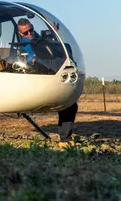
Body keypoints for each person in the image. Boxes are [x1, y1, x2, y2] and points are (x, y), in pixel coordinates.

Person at [17, 18, 79, 146]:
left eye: (31, 30)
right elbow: (25, 61)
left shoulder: (39, 38)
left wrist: (53, 32)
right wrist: (32, 60)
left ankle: (65, 139)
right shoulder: (22, 46)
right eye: (25, 33)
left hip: (51, 77)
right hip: (34, 82)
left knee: (69, 104)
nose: (30, 34)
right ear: (20, 34)